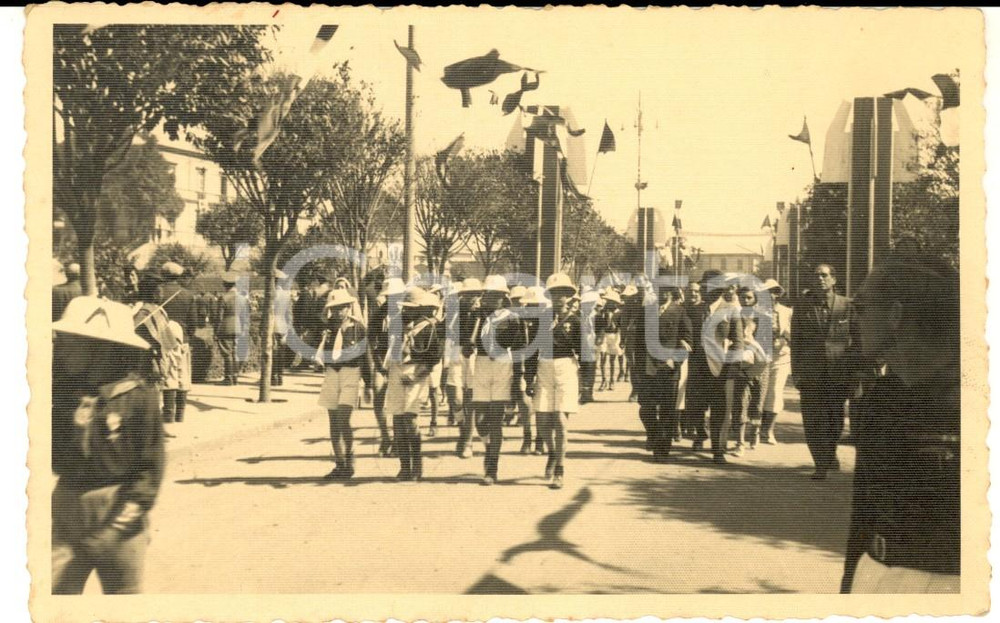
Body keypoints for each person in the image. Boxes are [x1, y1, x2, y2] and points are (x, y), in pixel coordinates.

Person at [841, 253, 959, 593]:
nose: (854, 318)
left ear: (894, 315)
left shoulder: (973, 402)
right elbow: (863, 520)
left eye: (861, 307)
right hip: (874, 575)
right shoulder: (881, 399)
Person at [52, 297, 164, 594]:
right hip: (68, 507)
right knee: (53, 595)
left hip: (118, 508)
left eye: (69, 342)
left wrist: (116, 528)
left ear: (100, 349)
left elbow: (149, 473)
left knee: (121, 600)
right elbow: (52, 459)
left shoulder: (139, 398)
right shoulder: (63, 392)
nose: (60, 349)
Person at [791, 264, 858, 480]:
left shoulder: (847, 305)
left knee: (834, 419)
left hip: (838, 372)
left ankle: (829, 453)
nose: (820, 279)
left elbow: (857, 340)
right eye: (817, 275)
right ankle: (820, 463)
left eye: (824, 275)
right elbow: (797, 342)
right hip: (811, 373)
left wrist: (856, 371)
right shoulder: (802, 307)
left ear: (834, 279)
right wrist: (797, 373)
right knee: (812, 420)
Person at [384, 287, 445, 482]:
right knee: (397, 420)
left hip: (415, 372)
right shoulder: (396, 325)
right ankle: (404, 466)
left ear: (420, 309)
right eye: (405, 308)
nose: (406, 311)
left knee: (410, 420)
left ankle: (416, 466)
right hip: (396, 370)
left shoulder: (428, 328)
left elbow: (433, 358)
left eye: (411, 308)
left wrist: (416, 376)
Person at [469, 275, 523, 485]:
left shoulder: (512, 318)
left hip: (502, 364)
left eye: (496, 296)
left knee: (495, 419)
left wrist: (518, 379)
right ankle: (489, 449)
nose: (491, 299)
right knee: (480, 420)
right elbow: (467, 341)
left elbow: (518, 350)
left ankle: (492, 467)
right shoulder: (477, 316)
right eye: (488, 295)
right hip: (481, 364)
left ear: (503, 298)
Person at [634, 283, 693, 461]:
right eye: (658, 290)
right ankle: (654, 434)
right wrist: (637, 367)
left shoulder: (680, 312)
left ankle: (662, 450)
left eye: (666, 291)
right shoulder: (646, 311)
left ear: (671, 293)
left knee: (668, 411)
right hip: (648, 369)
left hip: (668, 369)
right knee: (646, 409)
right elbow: (638, 341)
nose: (662, 294)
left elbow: (688, 342)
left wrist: (674, 361)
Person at [315, 288, 367, 481]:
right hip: (331, 374)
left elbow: (365, 356)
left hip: (350, 374)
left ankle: (350, 460)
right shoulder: (327, 328)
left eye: (342, 308)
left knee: (344, 420)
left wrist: (369, 384)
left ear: (349, 307)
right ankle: (339, 464)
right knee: (333, 422)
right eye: (334, 308)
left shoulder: (358, 328)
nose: (338, 312)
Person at [535, 273, 581, 489]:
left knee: (561, 420)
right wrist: (527, 377)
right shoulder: (542, 319)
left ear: (569, 296)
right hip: (544, 367)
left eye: (563, 294)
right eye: (555, 293)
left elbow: (584, 352)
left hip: (566, 368)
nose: (559, 298)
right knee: (543, 421)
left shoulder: (575, 321)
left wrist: (587, 381)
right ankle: (552, 452)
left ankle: (560, 469)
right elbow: (532, 349)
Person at [700, 271, 745, 464]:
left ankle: (718, 448)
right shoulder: (696, 308)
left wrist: (731, 365)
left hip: (723, 367)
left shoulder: (731, 309)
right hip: (698, 366)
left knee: (720, 408)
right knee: (696, 407)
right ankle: (699, 435)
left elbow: (738, 341)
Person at [367, 277, 406, 456]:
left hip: (401, 360)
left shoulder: (407, 313)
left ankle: (399, 441)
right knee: (378, 395)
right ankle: (385, 436)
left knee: (399, 402)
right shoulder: (379, 313)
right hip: (382, 359)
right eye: (389, 296)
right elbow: (371, 339)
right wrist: (377, 362)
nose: (392, 300)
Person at [731, 286, 771, 454]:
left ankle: (754, 434)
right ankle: (740, 442)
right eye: (742, 297)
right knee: (740, 401)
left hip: (760, 364)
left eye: (749, 297)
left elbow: (768, 342)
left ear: (755, 298)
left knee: (758, 402)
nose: (745, 301)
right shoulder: (734, 316)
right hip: (741, 365)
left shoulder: (763, 318)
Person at [756, 279, 793, 444]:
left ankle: (768, 430)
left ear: (777, 294)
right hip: (760, 357)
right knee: (759, 393)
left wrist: (785, 337)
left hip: (781, 357)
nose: (769, 296)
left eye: (773, 292)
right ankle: (754, 430)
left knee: (775, 392)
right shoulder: (755, 311)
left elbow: (794, 334)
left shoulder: (787, 312)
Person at [454, 278, 483, 458]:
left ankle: (468, 440)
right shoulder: (454, 312)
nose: (471, 298)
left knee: (470, 399)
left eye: (475, 294)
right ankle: (462, 428)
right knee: (455, 398)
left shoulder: (482, 313)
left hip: (474, 355)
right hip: (455, 353)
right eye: (468, 294)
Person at [215, 273, 246, 386]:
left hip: (226, 326)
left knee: (227, 353)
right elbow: (245, 316)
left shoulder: (223, 298)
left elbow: (219, 317)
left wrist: (216, 331)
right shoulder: (243, 298)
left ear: (225, 284)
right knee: (236, 353)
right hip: (239, 326)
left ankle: (228, 378)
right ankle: (235, 376)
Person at [596, 288, 624, 392]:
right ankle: (604, 380)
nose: (610, 303)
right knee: (603, 358)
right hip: (604, 334)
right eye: (608, 301)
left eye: (612, 302)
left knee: (612, 360)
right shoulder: (602, 312)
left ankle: (612, 380)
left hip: (614, 335)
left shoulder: (619, 313)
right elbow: (598, 324)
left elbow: (621, 326)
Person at [271, 269, 294, 387]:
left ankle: (273, 376)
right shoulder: (286, 295)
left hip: (272, 325)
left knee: (272, 352)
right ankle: (280, 376)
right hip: (283, 325)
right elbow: (289, 314)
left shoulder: (270, 294)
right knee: (281, 352)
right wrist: (289, 327)